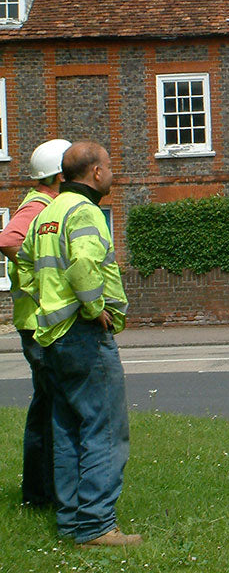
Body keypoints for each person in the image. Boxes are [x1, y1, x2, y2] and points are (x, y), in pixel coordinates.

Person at [19, 141, 139, 547]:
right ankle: (97, 525)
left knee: (67, 428)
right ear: (95, 173)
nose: (113, 173)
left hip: (51, 336)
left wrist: (44, 302)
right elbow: (83, 264)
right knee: (104, 429)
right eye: (110, 165)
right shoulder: (84, 211)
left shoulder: (46, 212)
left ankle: (71, 522)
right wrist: (94, 309)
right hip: (83, 336)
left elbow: (24, 263)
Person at [0, 138, 71, 506]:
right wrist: (38, 280)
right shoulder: (42, 205)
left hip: (35, 323)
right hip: (38, 325)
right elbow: (9, 238)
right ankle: (48, 494)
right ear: (60, 175)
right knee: (54, 409)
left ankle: (39, 494)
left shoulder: (44, 202)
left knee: (44, 407)